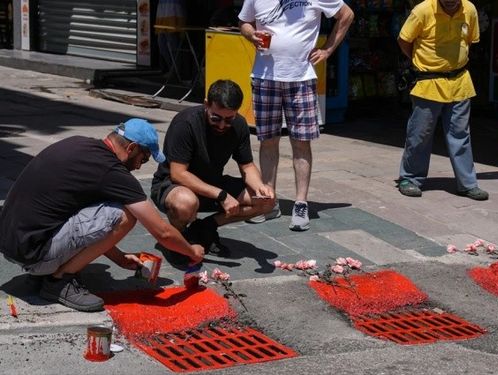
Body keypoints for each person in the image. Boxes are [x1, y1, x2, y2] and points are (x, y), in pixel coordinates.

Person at [0, 119, 205, 313]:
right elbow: (163, 233)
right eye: (143, 159)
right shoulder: (111, 171)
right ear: (131, 148)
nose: (139, 167)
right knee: (125, 215)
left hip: (15, 243)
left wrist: (118, 258)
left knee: (98, 206)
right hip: (34, 253)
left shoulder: (79, 144)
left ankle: (47, 272)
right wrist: (191, 251)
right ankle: (59, 281)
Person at [238, 0, 354, 231]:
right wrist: (251, 35)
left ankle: (301, 203)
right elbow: (244, 22)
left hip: (301, 78)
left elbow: (347, 15)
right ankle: (269, 201)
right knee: (268, 141)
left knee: (301, 143)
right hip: (264, 76)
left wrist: (328, 49)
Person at [150, 80, 275, 257]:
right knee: (185, 202)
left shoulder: (239, 125)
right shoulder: (186, 123)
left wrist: (260, 187)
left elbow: (247, 165)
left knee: (267, 201)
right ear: (206, 103)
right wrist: (221, 195)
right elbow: (178, 174)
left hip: (212, 183)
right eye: (216, 118)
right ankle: (176, 239)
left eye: (229, 119)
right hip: (171, 186)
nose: (222, 125)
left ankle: (206, 226)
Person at [396, 0, 489, 201]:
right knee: (419, 134)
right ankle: (410, 178)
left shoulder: (469, 9)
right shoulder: (422, 11)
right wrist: (419, 62)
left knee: (460, 135)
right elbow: (404, 40)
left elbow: (470, 41)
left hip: (460, 82)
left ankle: (467, 184)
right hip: (428, 83)